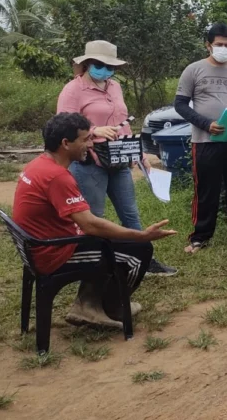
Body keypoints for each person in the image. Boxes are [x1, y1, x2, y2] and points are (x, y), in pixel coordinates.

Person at [13, 113, 176, 328]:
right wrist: (142, 235)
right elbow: (89, 224)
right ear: (65, 143)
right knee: (140, 249)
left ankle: (90, 304)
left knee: (111, 239)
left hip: (40, 246)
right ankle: (113, 306)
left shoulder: (39, 164)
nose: (90, 145)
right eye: (85, 139)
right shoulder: (57, 176)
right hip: (53, 253)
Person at [57, 40, 178, 278]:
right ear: (88, 64)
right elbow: (63, 124)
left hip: (119, 159)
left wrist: (138, 152)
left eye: (110, 66)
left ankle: (143, 259)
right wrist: (94, 130)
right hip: (89, 160)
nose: (105, 70)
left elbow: (122, 123)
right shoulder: (73, 89)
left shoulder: (114, 88)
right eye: (100, 64)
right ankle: (92, 266)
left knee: (130, 212)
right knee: (94, 217)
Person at [174, 23, 227, 254]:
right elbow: (179, 104)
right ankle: (200, 238)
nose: (223, 48)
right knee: (206, 190)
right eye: (218, 44)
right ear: (208, 45)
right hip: (205, 141)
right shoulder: (193, 70)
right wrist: (206, 124)